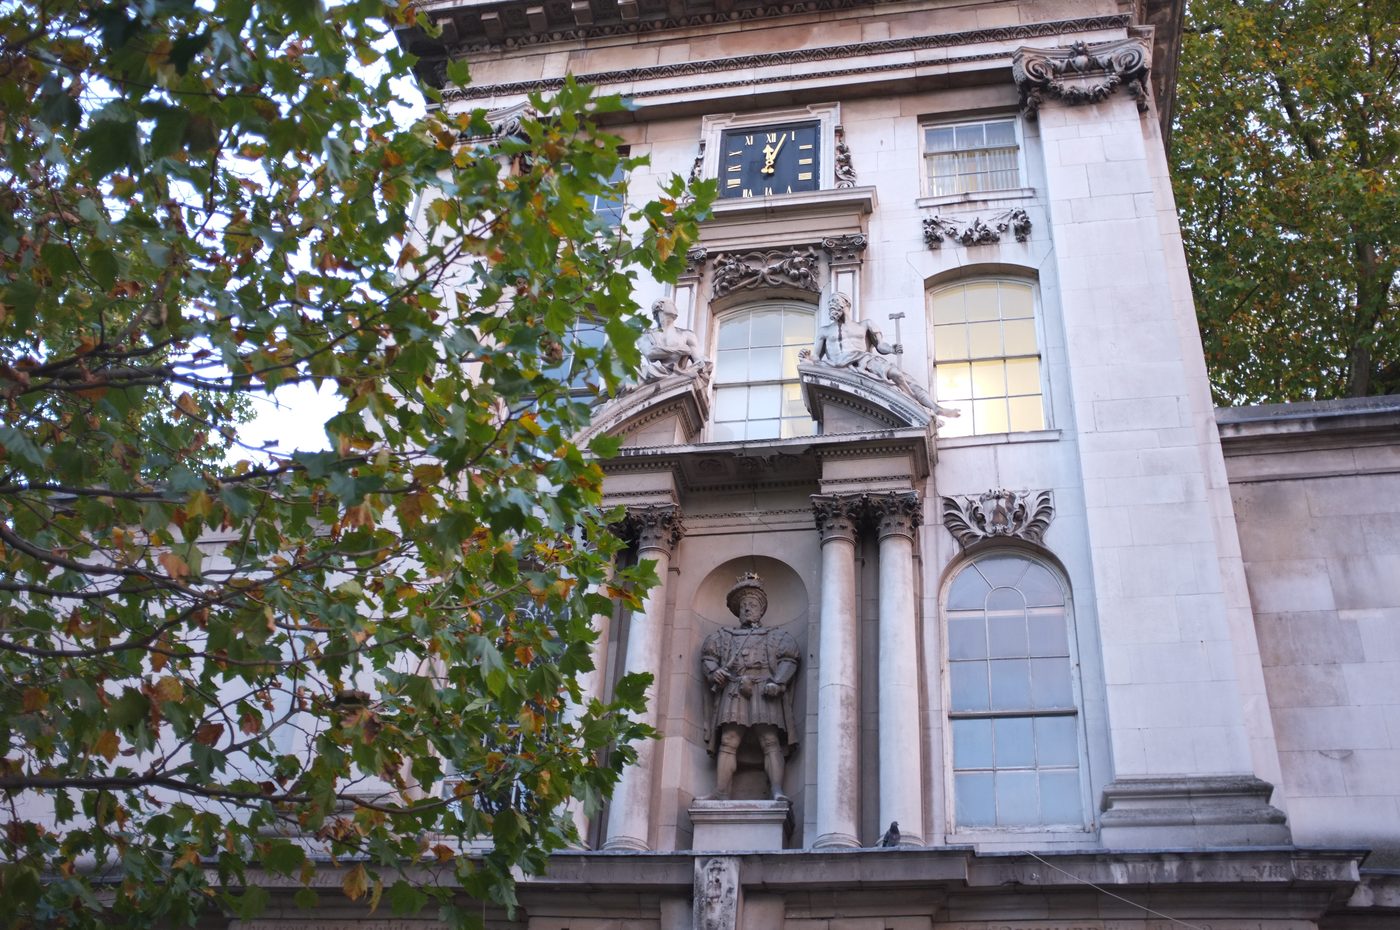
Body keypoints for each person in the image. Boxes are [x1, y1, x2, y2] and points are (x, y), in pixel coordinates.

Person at [700, 573, 800, 802]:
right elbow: (708, 658)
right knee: (728, 740)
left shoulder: (776, 636)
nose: (747, 608)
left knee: (770, 740)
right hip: (734, 688)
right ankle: (721, 792)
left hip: (764, 688)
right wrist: (715, 672)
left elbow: (789, 659)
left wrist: (778, 682)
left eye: (753, 604)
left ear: (761, 609)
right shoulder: (723, 637)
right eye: (744, 605)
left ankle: (777, 790)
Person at [802, 292, 960, 421]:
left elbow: (880, 345)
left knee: (897, 374)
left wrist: (891, 349)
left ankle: (933, 408)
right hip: (837, 365)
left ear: (846, 304)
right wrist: (808, 357)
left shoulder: (865, 324)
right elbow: (816, 357)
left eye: (835, 302)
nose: (831, 305)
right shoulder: (824, 331)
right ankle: (920, 407)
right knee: (898, 376)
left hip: (863, 360)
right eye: (830, 303)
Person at [636, 297, 711, 383]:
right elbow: (650, 352)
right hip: (654, 373)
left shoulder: (687, 334)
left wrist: (703, 363)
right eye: (672, 304)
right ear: (660, 306)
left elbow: (697, 359)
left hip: (679, 375)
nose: (676, 308)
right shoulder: (645, 335)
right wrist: (678, 349)